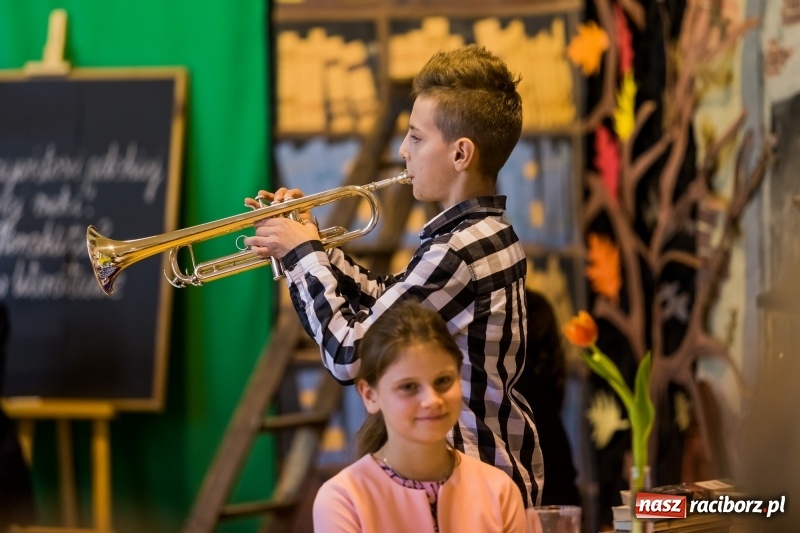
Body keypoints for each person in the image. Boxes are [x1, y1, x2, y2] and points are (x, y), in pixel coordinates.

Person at [245, 44, 543, 506]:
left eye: (417, 138)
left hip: (470, 489)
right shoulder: (485, 233)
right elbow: (391, 301)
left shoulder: (459, 251)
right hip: (486, 475)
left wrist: (302, 256)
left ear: (462, 153)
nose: (403, 151)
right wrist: (314, 245)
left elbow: (349, 354)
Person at [312, 301, 527, 533]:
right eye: (409, 387)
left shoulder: (499, 491)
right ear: (370, 396)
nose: (432, 400)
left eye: (443, 381)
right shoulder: (344, 499)